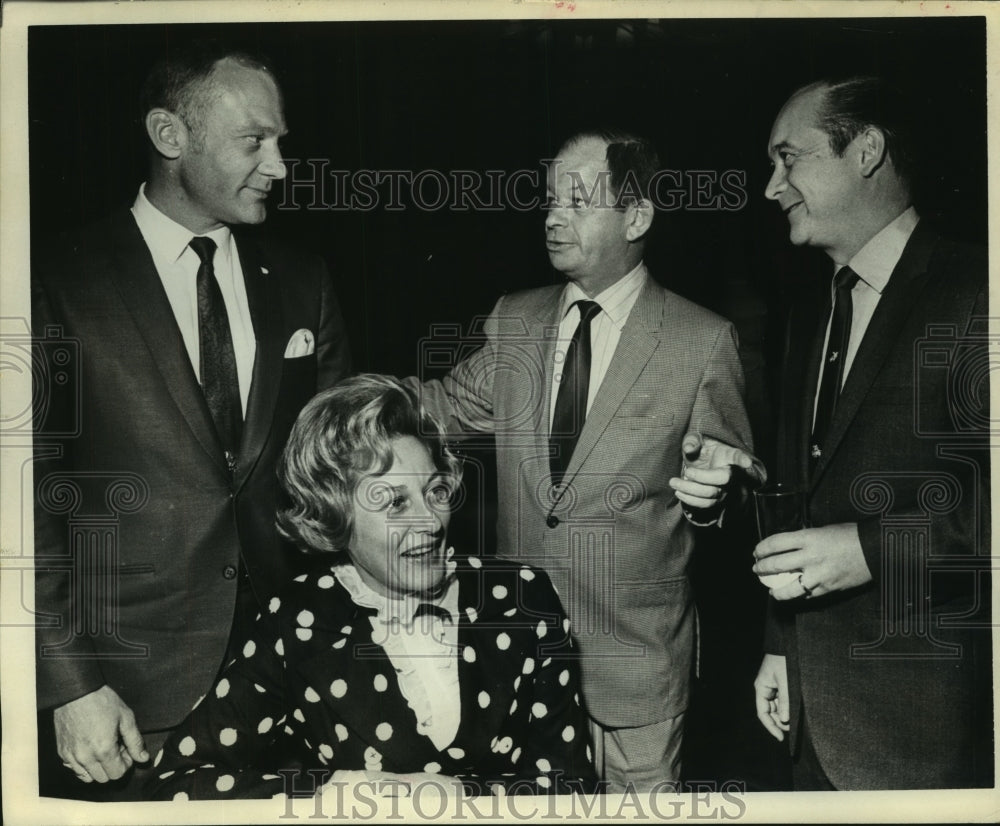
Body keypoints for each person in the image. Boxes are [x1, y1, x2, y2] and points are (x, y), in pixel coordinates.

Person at [31, 41, 351, 799]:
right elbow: (23, 496)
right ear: (170, 137)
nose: (278, 165)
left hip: (294, 683)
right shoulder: (54, 278)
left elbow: (342, 467)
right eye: (254, 142)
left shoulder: (304, 280)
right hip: (129, 702)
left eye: (281, 142)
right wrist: (69, 685)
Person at [411, 130, 763, 790]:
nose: (552, 217)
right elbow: (439, 408)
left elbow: (736, 480)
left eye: (577, 200)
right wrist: (337, 398)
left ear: (636, 217)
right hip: (515, 663)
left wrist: (722, 495)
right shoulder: (514, 320)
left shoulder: (701, 339)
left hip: (636, 675)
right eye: (549, 200)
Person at [144, 375, 595, 799]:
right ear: (335, 515)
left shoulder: (522, 597)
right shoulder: (300, 619)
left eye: (435, 492)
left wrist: (464, 800)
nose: (429, 522)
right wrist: (334, 795)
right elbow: (178, 780)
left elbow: (570, 789)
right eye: (394, 502)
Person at [752, 76, 991, 789]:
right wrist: (780, 646)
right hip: (812, 727)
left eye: (788, 159)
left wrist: (869, 549)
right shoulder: (811, 308)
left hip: (927, 733)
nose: (772, 187)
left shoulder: (978, 291)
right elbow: (808, 496)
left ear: (867, 151)